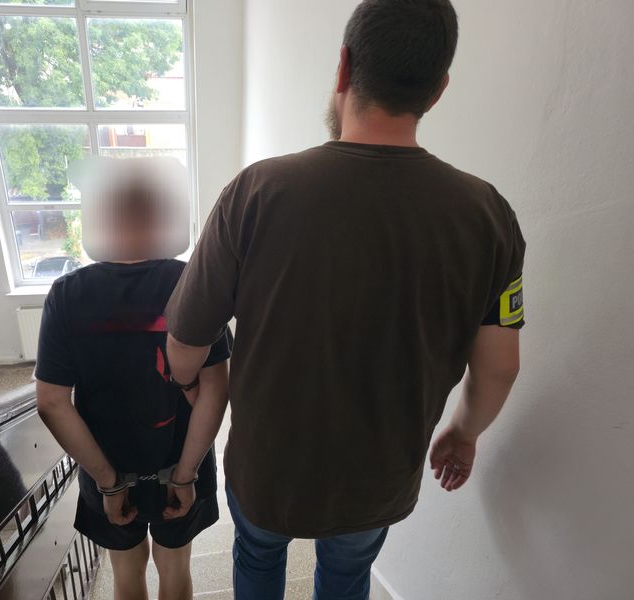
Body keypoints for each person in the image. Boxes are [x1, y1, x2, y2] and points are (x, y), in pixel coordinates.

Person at [164, 1, 525, 599]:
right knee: (347, 575)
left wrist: (185, 383)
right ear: (438, 90)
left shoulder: (257, 191)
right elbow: (500, 368)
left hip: (266, 471)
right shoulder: (490, 216)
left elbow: (185, 341)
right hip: (377, 480)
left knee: (257, 557)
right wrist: (463, 432)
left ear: (343, 68)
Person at [35, 162, 232, 600]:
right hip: (182, 459)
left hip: (106, 465)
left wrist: (109, 482)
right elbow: (215, 389)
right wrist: (185, 476)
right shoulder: (193, 283)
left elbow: (51, 402)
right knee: (176, 569)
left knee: (126, 574)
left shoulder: (66, 296)